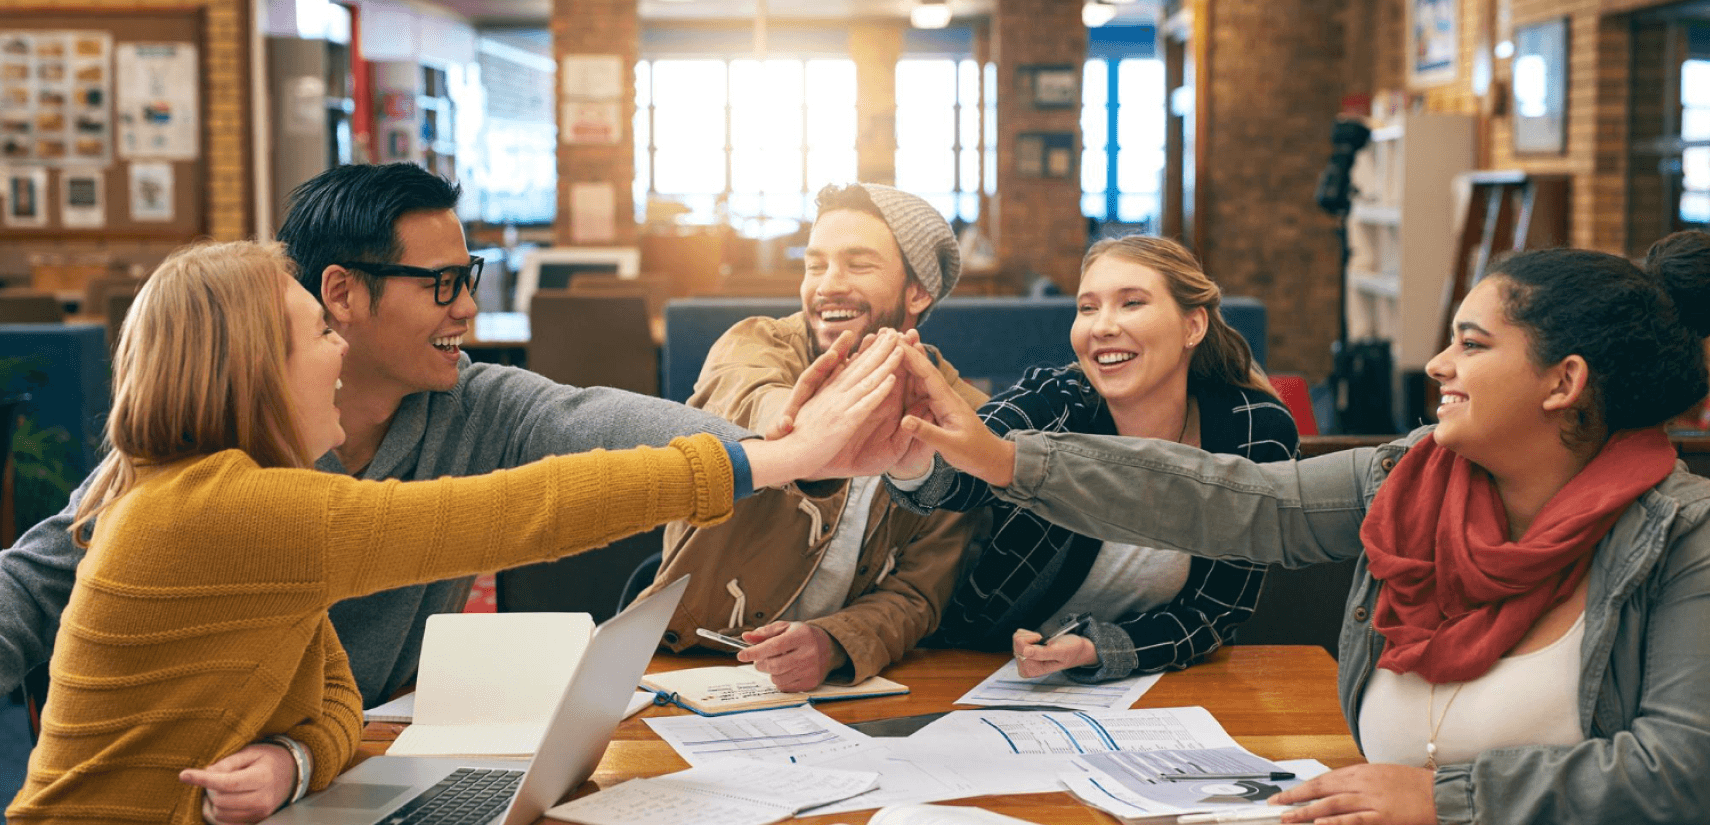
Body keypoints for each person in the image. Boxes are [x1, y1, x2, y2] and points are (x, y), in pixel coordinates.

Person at [6, 240, 903, 825]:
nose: (338, 353)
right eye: (319, 332)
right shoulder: (232, 512)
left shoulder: (260, 500)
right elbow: (518, 512)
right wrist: (770, 461)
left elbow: (336, 705)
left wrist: (287, 759)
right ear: (256, 369)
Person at [894, 232, 1710, 825]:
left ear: (1564, 381)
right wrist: (1006, 461)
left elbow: (1679, 770)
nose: (1437, 365)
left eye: (1471, 343)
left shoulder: (1681, 538)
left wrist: (1441, 798)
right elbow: (1229, 499)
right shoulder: (1407, 475)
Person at [0, 162, 756, 711]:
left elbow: (600, 421)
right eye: (440, 284)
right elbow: (32, 586)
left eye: (470, 278)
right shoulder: (214, 447)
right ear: (342, 293)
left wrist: (769, 445)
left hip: (350, 755)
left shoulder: (469, 399)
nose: (465, 309)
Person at [635, 183, 987, 691]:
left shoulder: (959, 419)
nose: (828, 286)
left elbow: (919, 592)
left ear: (918, 291)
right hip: (691, 660)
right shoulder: (754, 343)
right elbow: (746, 398)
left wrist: (836, 642)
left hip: (837, 686)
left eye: (858, 265)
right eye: (815, 264)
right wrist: (803, 428)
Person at [895, 236, 1297, 681]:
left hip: (1153, 680)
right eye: (1088, 308)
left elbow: (1216, 611)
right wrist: (912, 457)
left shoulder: (1253, 431)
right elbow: (960, 475)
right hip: (986, 667)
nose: (1102, 326)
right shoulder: (1058, 402)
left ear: (1193, 327)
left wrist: (1097, 649)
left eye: (1131, 303)